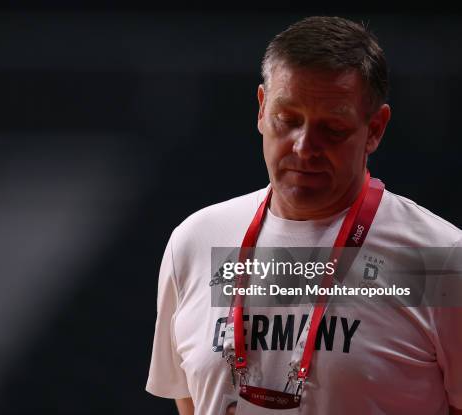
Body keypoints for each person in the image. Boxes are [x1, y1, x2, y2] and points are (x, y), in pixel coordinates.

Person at [146, 16, 462, 415]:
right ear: (262, 110)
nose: (304, 146)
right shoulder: (195, 241)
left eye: (332, 129)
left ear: (375, 129)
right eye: (288, 120)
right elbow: (191, 399)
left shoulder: (440, 259)